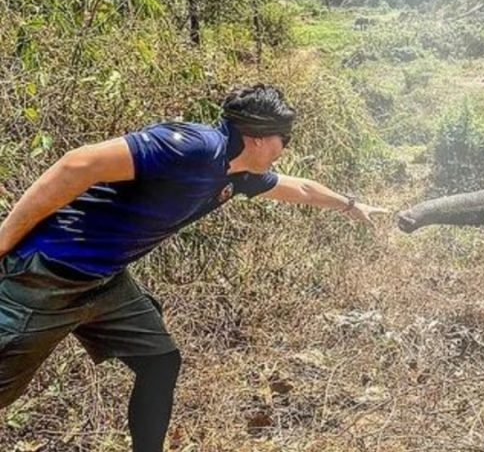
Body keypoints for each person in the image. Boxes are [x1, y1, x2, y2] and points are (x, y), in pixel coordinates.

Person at [0, 84, 387, 451]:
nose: (284, 149)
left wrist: (352, 206)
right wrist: (3, 241)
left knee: (160, 363)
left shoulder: (238, 174)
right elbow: (78, 163)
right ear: (257, 138)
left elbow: (299, 188)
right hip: (47, 274)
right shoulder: (192, 147)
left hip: (106, 282)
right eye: (284, 139)